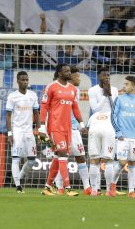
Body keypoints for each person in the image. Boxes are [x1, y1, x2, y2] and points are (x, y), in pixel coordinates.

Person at [38, 63, 84, 196]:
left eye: (70, 71)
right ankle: (67, 188)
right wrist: (41, 127)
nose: (70, 73)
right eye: (66, 71)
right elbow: (44, 107)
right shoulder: (51, 87)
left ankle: (47, 187)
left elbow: (75, 107)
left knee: (58, 156)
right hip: (54, 127)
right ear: (59, 73)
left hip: (67, 128)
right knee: (63, 153)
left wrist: (81, 124)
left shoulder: (73, 89)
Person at [54, 66, 92, 195]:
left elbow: (75, 110)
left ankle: (87, 188)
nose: (79, 78)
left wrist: (81, 125)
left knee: (80, 157)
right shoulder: (58, 89)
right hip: (60, 129)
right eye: (77, 76)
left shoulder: (75, 91)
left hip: (74, 129)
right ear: (70, 77)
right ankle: (60, 188)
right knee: (62, 157)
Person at [87, 66, 120, 196]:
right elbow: (95, 109)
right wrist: (105, 95)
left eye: (108, 75)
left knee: (108, 159)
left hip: (109, 124)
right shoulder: (92, 90)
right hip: (96, 123)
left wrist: (110, 94)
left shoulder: (115, 90)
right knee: (94, 158)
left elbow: (115, 108)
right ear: (98, 76)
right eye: (104, 75)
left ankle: (108, 190)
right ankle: (94, 190)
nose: (106, 78)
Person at [5, 71, 39, 193]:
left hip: (29, 131)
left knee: (32, 160)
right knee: (16, 159)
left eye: (26, 80)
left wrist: (39, 130)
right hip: (17, 131)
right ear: (18, 81)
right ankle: (18, 186)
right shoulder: (12, 96)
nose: (25, 82)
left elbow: (36, 113)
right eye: (23, 80)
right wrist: (10, 133)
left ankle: (18, 178)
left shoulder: (33, 95)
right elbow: (8, 116)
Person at [111, 75, 135, 198]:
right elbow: (113, 116)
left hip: (134, 138)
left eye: (126, 84)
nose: (124, 86)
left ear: (133, 86)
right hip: (122, 137)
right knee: (122, 161)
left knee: (133, 163)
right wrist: (118, 132)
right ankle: (112, 185)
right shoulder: (119, 99)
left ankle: (131, 191)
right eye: (124, 84)